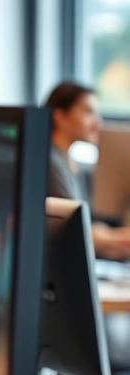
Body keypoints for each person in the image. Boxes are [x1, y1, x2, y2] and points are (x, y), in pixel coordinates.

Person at [45, 81, 130, 259]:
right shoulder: (51, 162)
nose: (97, 123)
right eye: (88, 112)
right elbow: (71, 231)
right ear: (60, 116)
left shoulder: (70, 163)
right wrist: (117, 238)